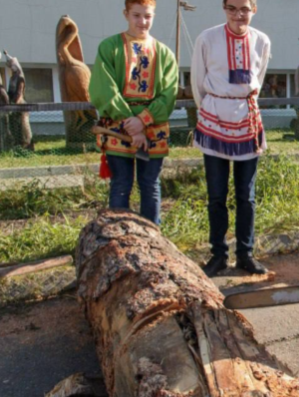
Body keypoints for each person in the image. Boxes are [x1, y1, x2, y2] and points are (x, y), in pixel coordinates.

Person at [191, 0, 271, 277]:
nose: (239, 15)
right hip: (214, 118)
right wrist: (212, 109)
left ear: (254, 9)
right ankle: (218, 255)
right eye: (232, 8)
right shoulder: (207, 38)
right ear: (223, 8)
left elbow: (257, 79)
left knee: (246, 196)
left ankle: (245, 254)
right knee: (216, 194)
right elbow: (198, 81)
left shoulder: (262, 41)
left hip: (246, 119)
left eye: (244, 9)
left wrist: (240, 103)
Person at [89, 0, 178, 225]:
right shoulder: (110, 47)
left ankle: (152, 239)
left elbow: (168, 94)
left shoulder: (164, 54)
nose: (142, 21)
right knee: (121, 183)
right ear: (126, 14)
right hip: (118, 125)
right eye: (136, 15)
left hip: (152, 128)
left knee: (150, 183)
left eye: (147, 16)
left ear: (154, 15)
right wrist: (130, 124)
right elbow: (104, 89)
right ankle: (119, 238)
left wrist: (143, 121)